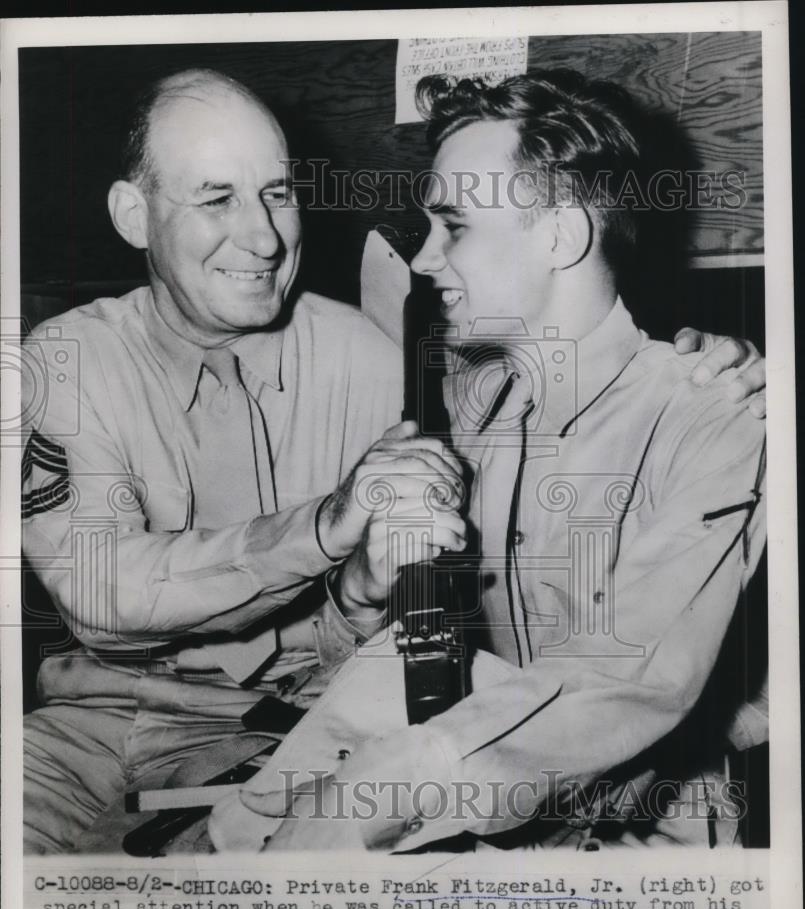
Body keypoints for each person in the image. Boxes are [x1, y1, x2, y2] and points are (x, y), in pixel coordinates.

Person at [22, 68, 764, 855]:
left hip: (594, 812)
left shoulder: (707, 411)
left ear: (558, 235)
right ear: (134, 215)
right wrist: (362, 578)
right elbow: (384, 649)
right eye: (215, 198)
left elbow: (628, 679)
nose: (424, 260)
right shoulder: (467, 413)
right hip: (125, 721)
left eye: (455, 226)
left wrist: (377, 786)